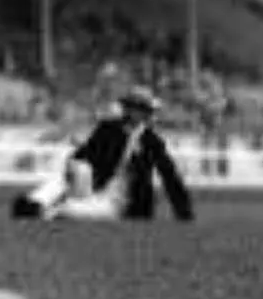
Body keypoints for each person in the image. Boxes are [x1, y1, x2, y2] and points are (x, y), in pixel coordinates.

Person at [53, 86, 196, 222]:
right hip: (96, 192)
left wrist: (184, 212)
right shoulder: (107, 130)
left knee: (69, 211)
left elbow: (170, 176)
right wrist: (73, 171)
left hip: (125, 205)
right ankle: (47, 206)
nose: (136, 113)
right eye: (133, 107)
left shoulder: (151, 141)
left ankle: (55, 209)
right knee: (69, 183)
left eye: (141, 109)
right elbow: (82, 156)